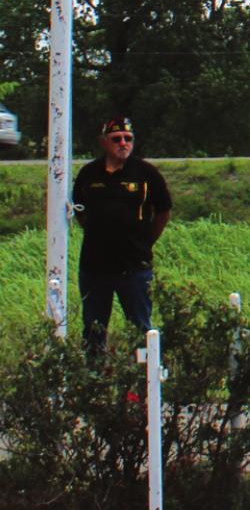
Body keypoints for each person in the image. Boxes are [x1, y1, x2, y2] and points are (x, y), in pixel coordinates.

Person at [70, 115, 173, 346]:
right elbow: (79, 210)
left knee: (140, 328)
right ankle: (94, 377)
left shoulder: (147, 173)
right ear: (104, 142)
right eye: (116, 138)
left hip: (134, 266)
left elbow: (164, 212)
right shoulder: (89, 174)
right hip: (95, 267)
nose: (123, 143)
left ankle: (143, 377)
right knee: (93, 330)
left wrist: (144, 242)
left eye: (128, 138)